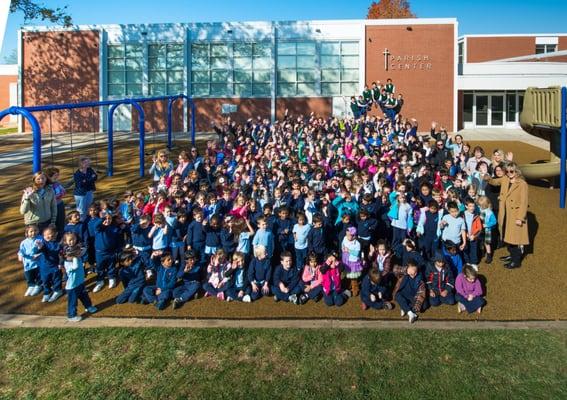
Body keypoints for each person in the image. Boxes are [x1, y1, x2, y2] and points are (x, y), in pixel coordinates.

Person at [488, 162, 529, 269]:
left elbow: (524, 203)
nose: (509, 173)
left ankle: (516, 261)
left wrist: (520, 218)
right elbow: (494, 182)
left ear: (517, 172)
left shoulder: (522, 184)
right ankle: (512, 256)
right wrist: (486, 177)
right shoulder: (505, 179)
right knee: (507, 235)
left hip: (515, 215)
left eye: (512, 171)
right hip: (505, 213)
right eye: (507, 171)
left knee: (514, 238)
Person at [60, 232, 98, 322]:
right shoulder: (67, 263)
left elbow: (83, 249)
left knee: (84, 296)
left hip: (80, 282)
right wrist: (74, 258)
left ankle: (88, 306)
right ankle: (71, 315)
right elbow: (74, 267)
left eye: (73, 239)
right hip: (72, 286)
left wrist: (77, 256)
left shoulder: (77, 255)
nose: (71, 241)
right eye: (69, 240)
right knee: (73, 302)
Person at [35, 226, 63, 303]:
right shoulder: (43, 243)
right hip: (44, 267)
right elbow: (41, 249)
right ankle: (47, 292)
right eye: (45, 235)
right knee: (45, 280)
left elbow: (61, 255)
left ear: (55, 234)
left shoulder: (58, 244)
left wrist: (60, 263)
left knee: (56, 280)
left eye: (49, 234)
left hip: (55, 267)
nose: (47, 236)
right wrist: (39, 246)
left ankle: (58, 291)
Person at [17, 225, 43, 297]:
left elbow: (43, 248)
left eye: (35, 230)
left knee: (38, 275)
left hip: (38, 262)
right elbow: (21, 251)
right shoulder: (23, 242)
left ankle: (39, 285)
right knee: (29, 275)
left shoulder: (40, 239)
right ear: (27, 233)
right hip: (27, 263)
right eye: (31, 231)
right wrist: (20, 256)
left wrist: (40, 248)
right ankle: (31, 285)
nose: (33, 233)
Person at [73, 156, 97, 221]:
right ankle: (81, 222)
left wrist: (86, 180)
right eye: (86, 162)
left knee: (89, 208)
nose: (89, 163)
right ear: (82, 164)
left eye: (89, 162)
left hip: (89, 191)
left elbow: (95, 177)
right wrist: (90, 179)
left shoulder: (89, 169)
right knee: (81, 210)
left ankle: (88, 221)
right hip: (81, 194)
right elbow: (81, 184)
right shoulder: (77, 174)